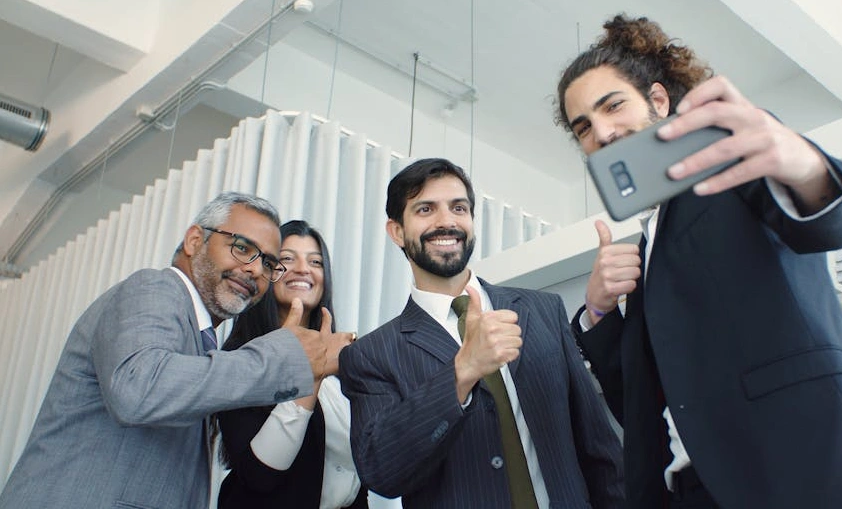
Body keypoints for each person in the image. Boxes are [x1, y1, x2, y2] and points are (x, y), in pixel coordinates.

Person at [555, 14, 842, 509]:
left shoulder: (735, 161)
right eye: (583, 127)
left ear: (659, 101)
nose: (601, 132)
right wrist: (599, 311)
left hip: (805, 472)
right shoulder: (650, 244)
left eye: (613, 106)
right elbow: (640, 403)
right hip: (691, 489)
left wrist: (801, 162)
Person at [0, 192, 353, 509]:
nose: (253, 270)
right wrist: (285, 357)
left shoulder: (202, 343)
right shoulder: (154, 288)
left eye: (267, 263)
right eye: (242, 247)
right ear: (194, 239)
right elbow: (139, 389)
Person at [338, 158, 625, 508]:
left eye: (458, 208)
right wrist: (462, 371)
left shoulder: (542, 311)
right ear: (397, 231)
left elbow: (599, 446)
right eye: (425, 209)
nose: (446, 221)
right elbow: (382, 472)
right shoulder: (371, 355)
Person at [217, 220, 367, 508]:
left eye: (316, 261)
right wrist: (310, 376)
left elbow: (360, 467)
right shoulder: (240, 357)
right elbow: (259, 476)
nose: (303, 268)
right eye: (287, 259)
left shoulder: (343, 358)